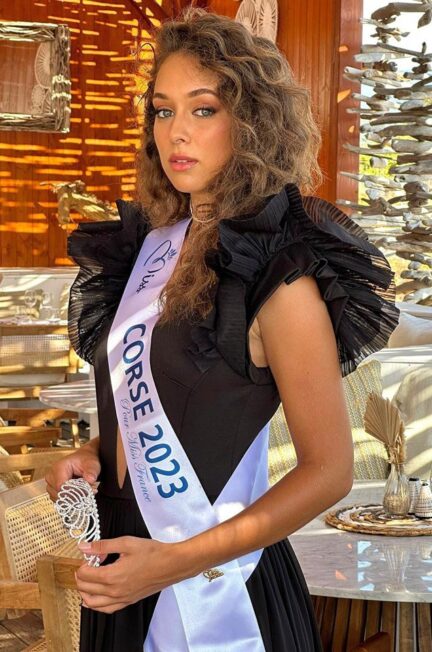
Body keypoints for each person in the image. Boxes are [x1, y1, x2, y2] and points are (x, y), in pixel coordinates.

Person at [46, 7, 399, 652]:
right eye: (163, 111)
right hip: (124, 575)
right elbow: (166, 410)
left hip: (219, 587)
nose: (176, 132)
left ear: (251, 122)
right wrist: (94, 457)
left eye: (203, 109)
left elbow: (329, 472)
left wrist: (173, 564)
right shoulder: (146, 252)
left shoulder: (279, 278)